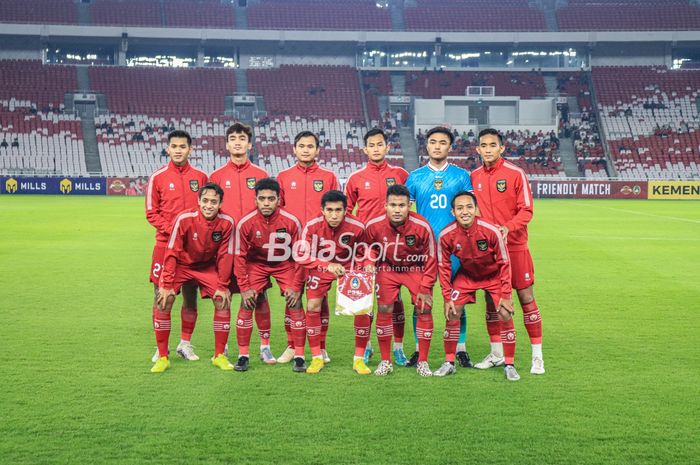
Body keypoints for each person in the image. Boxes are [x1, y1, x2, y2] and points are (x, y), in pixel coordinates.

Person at [471, 128, 545, 375]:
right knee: (492, 303)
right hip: (488, 252)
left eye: (493, 145)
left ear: (501, 148)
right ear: (478, 149)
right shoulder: (474, 176)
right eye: (484, 145)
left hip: (515, 247)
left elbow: (527, 210)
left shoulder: (515, 173)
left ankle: (537, 357)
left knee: (525, 298)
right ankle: (497, 353)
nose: (488, 149)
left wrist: (507, 228)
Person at [406, 126, 474, 368]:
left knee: (457, 299)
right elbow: (406, 213)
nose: (437, 146)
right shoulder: (414, 177)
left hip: (455, 249)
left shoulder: (461, 176)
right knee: (420, 300)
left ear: (449, 146)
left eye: (442, 142)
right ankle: (417, 348)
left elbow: (469, 211)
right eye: (433, 142)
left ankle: (460, 348)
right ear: (426, 145)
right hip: (423, 249)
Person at [434, 191, 519, 381]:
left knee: (505, 313)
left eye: (469, 207)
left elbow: (505, 263)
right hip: (468, 276)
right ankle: (449, 363)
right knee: (452, 311)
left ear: (476, 209)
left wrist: (506, 294)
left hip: (493, 275)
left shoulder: (491, 230)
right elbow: (443, 266)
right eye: (460, 208)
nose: (465, 212)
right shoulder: (446, 234)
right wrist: (447, 297)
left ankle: (509, 364)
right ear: (453, 212)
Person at [151, 182, 235, 373]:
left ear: (220, 203)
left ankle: (219, 355)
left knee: (222, 300)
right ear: (198, 201)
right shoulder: (184, 219)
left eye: (214, 202)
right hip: (182, 264)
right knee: (164, 299)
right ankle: (163, 356)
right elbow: (172, 252)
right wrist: (166, 283)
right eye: (205, 200)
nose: (209, 205)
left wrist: (222, 285)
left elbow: (224, 256)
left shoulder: (227, 222)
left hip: (205, 267)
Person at [210, 123, 275, 364]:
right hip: (225, 249)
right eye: (233, 138)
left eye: (242, 138)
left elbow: (273, 210)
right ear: (227, 144)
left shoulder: (261, 175)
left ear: (250, 144)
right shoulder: (215, 177)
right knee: (224, 295)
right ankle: (223, 345)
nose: (237, 142)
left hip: (254, 250)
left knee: (259, 297)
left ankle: (265, 346)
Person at [344, 128, 409, 365]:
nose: (376, 148)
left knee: (395, 300)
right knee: (363, 300)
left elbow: (408, 208)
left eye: (380, 144)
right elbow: (346, 215)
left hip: (394, 247)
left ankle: (398, 348)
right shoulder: (355, 178)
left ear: (387, 147)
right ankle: (366, 346)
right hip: (364, 248)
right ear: (365, 149)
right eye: (371, 145)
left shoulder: (400, 174)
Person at [277, 131, 340, 364]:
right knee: (291, 296)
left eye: (310, 146)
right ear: (294, 149)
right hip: (290, 248)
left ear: (317, 150)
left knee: (319, 299)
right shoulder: (283, 177)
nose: (305, 150)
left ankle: (320, 346)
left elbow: (336, 211)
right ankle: (292, 346)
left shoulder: (329, 176)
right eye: (301, 146)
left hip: (319, 249)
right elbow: (279, 212)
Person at [145, 130, 208, 363]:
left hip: (193, 248)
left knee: (190, 296)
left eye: (183, 146)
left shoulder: (201, 177)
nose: (179, 150)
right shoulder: (157, 177)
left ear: (190, 149)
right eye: (174, 146)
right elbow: (151, 213)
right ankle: (160, 347)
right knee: (161, 296)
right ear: (168, 149)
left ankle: (185, 343)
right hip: (164, 245)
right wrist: (176, 230)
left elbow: (208, 209)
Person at [233, 178, 307, 373]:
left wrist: (297, 286)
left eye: (271, 199)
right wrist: (244, 287)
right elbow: (239, 257)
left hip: (285, 264)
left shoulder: (292, 222)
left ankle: (299, 355)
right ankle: (244, 355)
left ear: (279, 199)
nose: (266, 203)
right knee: (247, 301)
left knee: (295, 301)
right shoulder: (245, 223)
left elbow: (301, 256)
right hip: (256, 264)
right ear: (255, 200)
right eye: (262, 198)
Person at [363, 185, 437, 377]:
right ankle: (386, 361)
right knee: (385, 309)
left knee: (424, 307)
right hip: (387, 268)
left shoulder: (422, 226)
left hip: (415, 268)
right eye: (393, 205)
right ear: (385, 205)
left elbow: (431, 257)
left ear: (409, 206)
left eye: (402, 205)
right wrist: (370, 261)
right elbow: (369, 247)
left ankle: (423, 362)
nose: (397, 210)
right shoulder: (374, 224)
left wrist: (426, 285)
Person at [295, 190, 371, 375]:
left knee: (361, 307)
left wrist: (368, 264)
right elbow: (301, 254)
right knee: (313, 306)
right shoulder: (312, 226)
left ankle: (359, 359)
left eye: (338, 210)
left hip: (350, 268)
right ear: (322, 210)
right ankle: (316, 358)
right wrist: (326, 265)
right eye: (329, 210)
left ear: (346, 210)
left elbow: (367, 250)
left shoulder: (358, 226)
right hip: (323, 267)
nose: (334, 215)